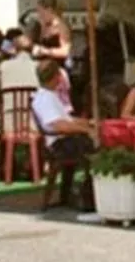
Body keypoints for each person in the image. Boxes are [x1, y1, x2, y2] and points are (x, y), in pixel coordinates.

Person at [31, 60, 96, 208]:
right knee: (96, 147)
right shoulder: (45, 99)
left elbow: (67, 119)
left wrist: (88, 123)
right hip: (59, 144)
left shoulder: (50, 95)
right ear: (56, 77)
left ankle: (74, 194)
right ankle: (89, 195)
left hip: (65, 139)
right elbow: (58, 125)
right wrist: (86, 129)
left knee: (92, 138)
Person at [31, 0, 73, 68]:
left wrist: (45, 51)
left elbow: (65, 51)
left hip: (56, 67)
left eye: (41, 12)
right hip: (43, 67)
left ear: (49, 10)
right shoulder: (43, 26)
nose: (39, 15)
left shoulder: (61, 27)